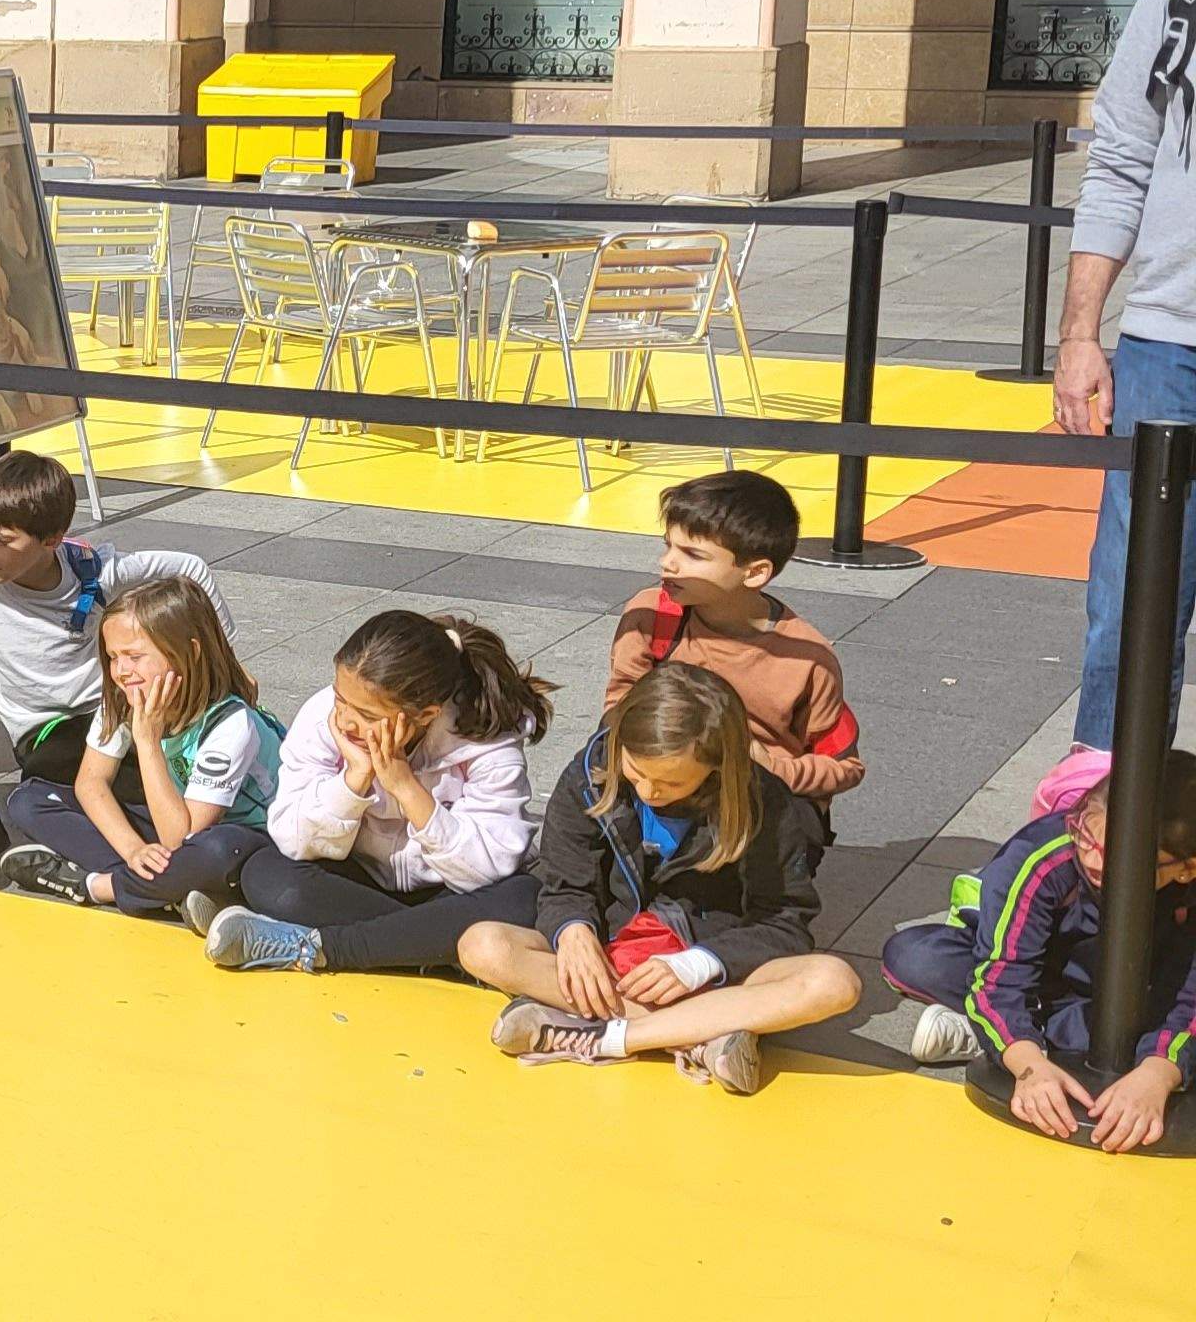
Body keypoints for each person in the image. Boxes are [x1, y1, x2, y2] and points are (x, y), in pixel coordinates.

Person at [458, 665, 858, 1096]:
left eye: (671, 782)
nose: (649, 790)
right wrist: (572, 930)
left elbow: (785, 920)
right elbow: (565, 883)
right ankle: (706, 1033)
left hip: (715, 968)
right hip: (618, 959)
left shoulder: (764, 801)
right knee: (482, 945)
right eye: (636, 770)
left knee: (835, 982)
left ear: (715, 768)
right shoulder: (591, 774)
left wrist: (700, 963)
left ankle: (607, 1037)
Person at [179, 611, 549, 977]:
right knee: (268, 875)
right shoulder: (323, 715)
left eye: (367, 714)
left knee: (523, 900)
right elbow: (292, 839)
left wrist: (405, 787)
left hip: (447, 891)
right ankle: (432, 946)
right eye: (341, 700)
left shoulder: (485, 736)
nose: (345, 720)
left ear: (426, 714)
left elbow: (484, 869)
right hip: (361, 884)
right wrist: (353, 781)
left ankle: (316, 946)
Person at [1057, 0, 1196, 804]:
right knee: (1132, 606)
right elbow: (1120, 157)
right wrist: (1080, 332)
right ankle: (1097, 829)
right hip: (1168, 346)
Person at [883, 764, 1196, 1148]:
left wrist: (1159, 1073)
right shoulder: (1044, 856)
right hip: (1046, 978)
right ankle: (1009, 1031)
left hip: (1142, 996)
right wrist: (1027, 1065)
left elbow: (1188, 996)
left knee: (1143, 1039)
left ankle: (995, 1029)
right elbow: (1002, 974)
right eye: (1086, 835)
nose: (1095, 860)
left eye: (1121, 857)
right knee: (913, 958)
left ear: (1186, 870)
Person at [0, 450, 224, 786]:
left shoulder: (92, 571)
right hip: (44, 732)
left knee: (202, 743)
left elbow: (192, 567)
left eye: (1, 540)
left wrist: (227, 663)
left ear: (51, 539)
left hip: (111, 710)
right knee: (68, 777)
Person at [1, 576, 278, 918]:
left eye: (134, 656)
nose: (121, 671)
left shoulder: (231, 723)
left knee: (215, 851)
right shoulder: (126, 696)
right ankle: (166, 888)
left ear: (189, 653)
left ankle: (98, 885)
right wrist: (133, 850)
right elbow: (90, 782)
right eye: (114, 657)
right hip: (174, 823)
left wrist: (147, 742)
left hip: (238, 838)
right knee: (29, 801)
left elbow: (183, 840)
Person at [605, 470, 862, 817]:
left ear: (754, 572)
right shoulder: (651, 616)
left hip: (758, 801)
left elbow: (844, 767)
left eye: (692, 554)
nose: (667, 562)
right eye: (668, 545)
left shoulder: (806, 658)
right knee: (586, 775)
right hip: (663, 782)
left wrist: (768, 766)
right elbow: (617, 714)